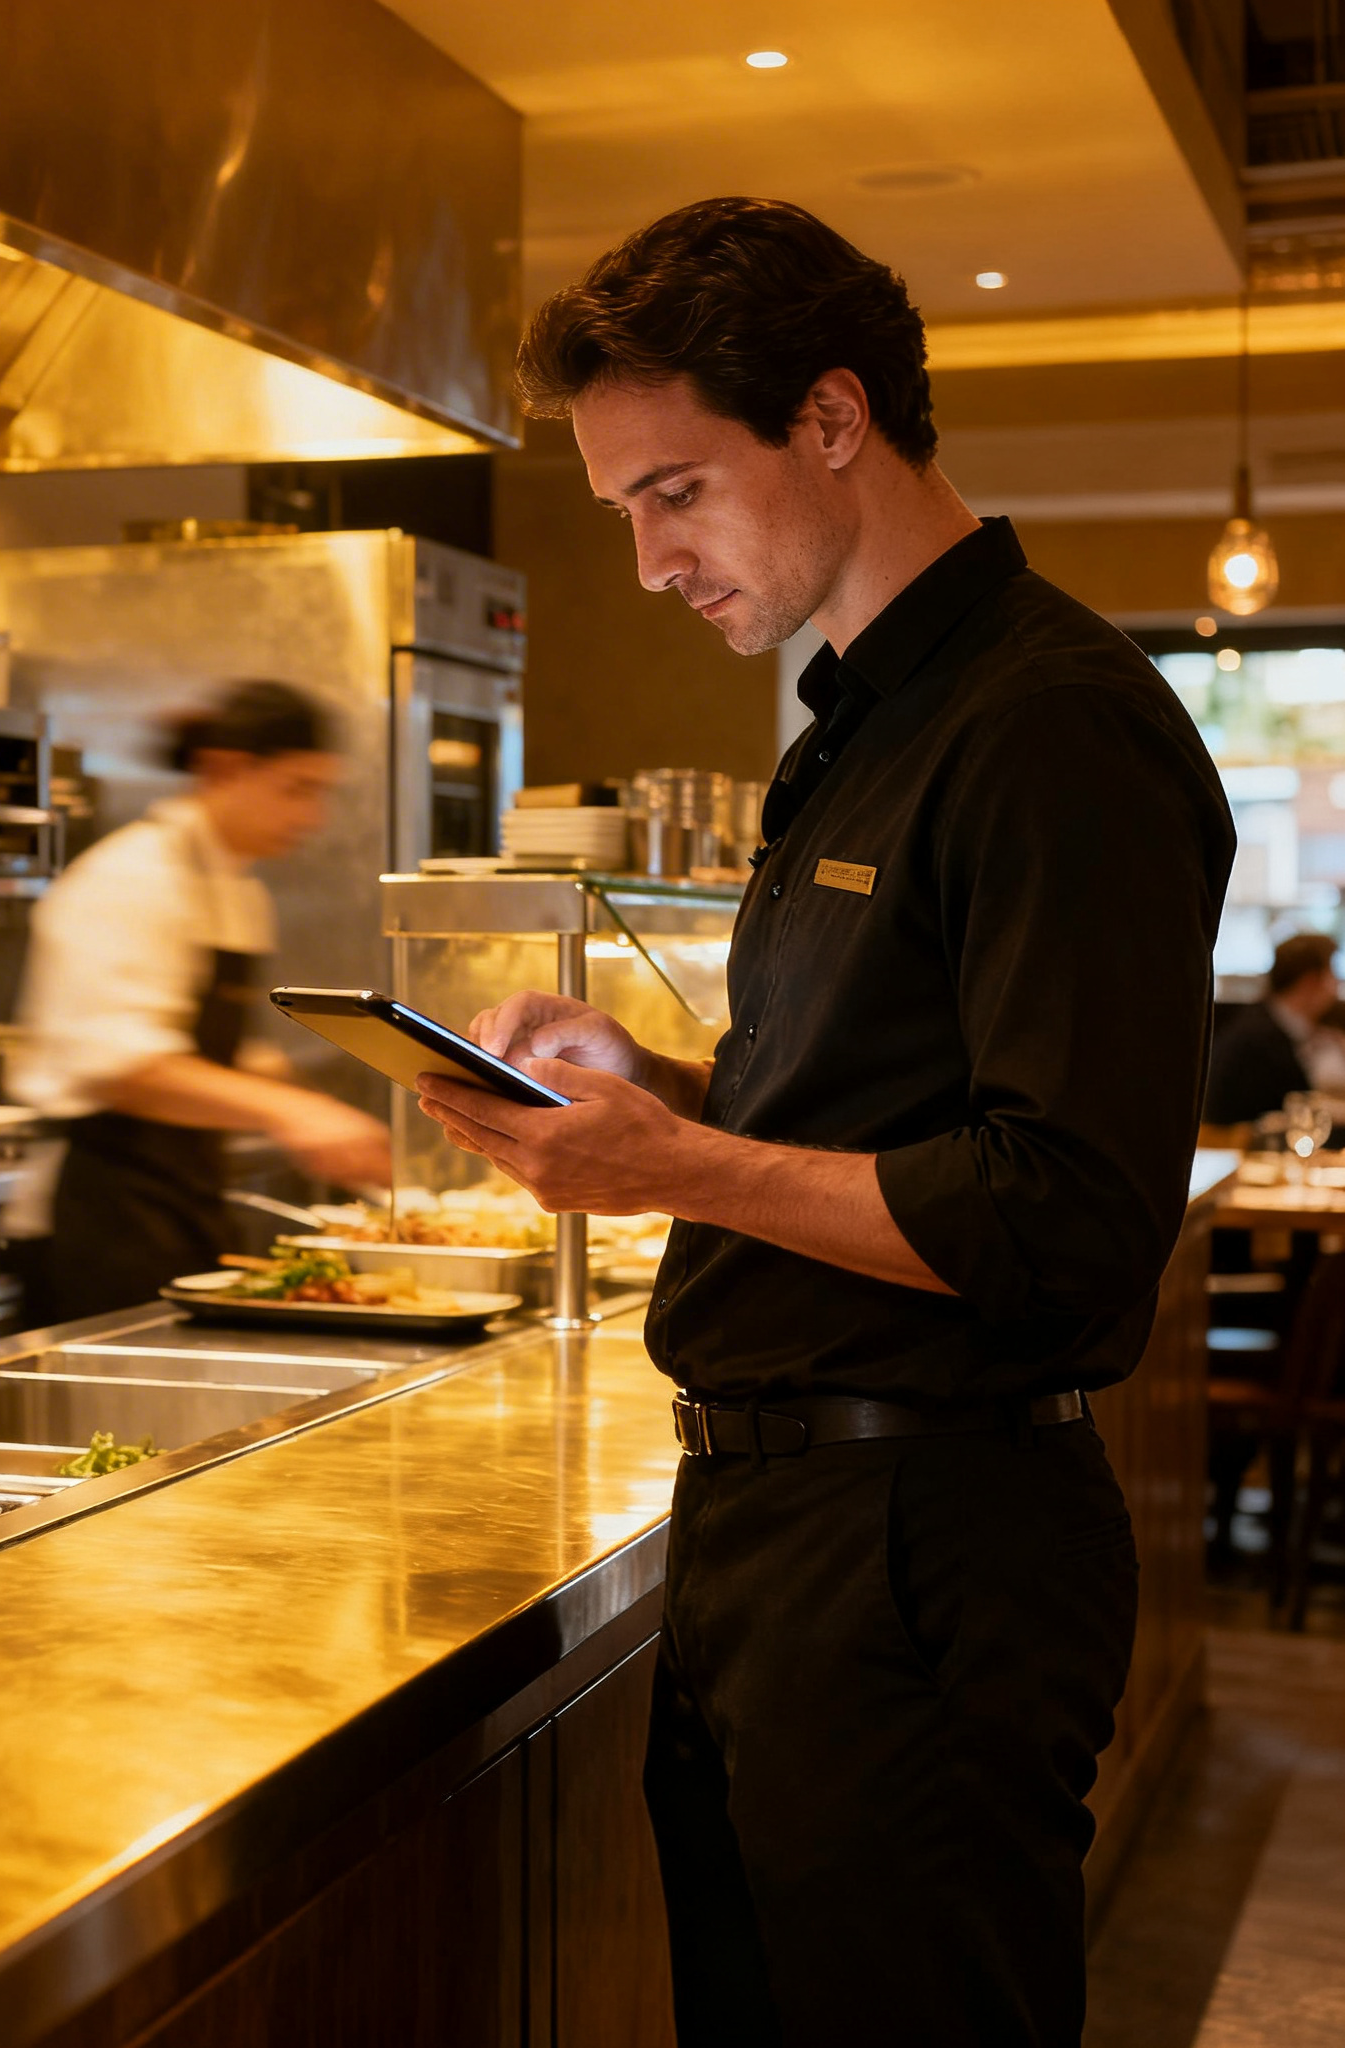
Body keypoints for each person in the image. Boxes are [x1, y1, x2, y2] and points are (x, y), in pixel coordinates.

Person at [415, 199, 1235, 2048]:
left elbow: (1059, 1216)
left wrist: (673, 1168)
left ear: (834, 417)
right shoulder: (852, 728)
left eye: (675, 492)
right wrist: (660, 1092)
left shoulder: (1050, 725)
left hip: (924, 1541)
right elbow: (884, 1117)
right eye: (624, 505)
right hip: (768, 1540)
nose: (645, 561)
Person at [12, 680, 391, 1317]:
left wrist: (313, 1096)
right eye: (298, 789)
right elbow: (121, 1070)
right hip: (98, 1219)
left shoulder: (237, 890)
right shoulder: (131, 879)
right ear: (223, 770)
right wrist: (290, 1111)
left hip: (184, 1204)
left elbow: (199, 1047)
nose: (314, 816)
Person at [1204, 930, 1342, 1125]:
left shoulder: (1271, 1022)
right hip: (1248, 1148)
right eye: (1332, 975)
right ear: (1310, 981)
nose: (1337, 985)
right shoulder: (1259, 1038)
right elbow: (1298, 1106)